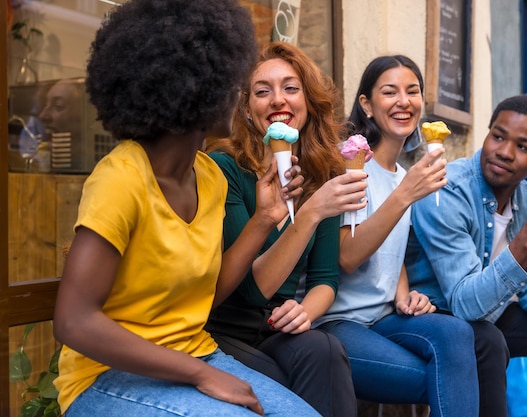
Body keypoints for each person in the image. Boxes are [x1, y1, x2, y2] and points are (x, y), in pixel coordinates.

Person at [52, 1, 322, 416]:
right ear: (194, 87)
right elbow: (73, 321)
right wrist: (199, 374)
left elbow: (206, 297)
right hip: (105, 375)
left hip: (196, 353)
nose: (239, 97)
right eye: (233, 84)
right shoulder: (121, 178)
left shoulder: (208, 177)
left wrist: (265, 217)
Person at [406, 94, 527, 417]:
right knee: (486, 339)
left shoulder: (524, 196)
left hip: (484, 315)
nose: (505, 153)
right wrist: (526, 240)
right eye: (498, 136)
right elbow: (464, 304)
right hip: (431, 312)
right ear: (488, 132)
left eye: (523, 147)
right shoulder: (445, 190)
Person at [204, 42, 367, 417]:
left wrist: (305, 313)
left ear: (307, 102)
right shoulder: (224, 168)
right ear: (246, 109)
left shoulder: (321, 175)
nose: (278, 100)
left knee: (322, 348)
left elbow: (326, 280)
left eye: (291, 88)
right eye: (263, 91)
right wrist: (312, 212)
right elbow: (251, 290)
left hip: (275, 326)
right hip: (224, 330)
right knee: (281, 375)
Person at [314, 55, 479, 417]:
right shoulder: (352, 167)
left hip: (385, 317)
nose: (404, 101)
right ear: (366, 105)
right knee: (441, 379)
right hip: (337, 322)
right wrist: (405, 194)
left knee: (457, 334)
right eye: (390, 92)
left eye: (413, 91)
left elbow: (393, 253)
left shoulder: (402, 173)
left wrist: (407, 297)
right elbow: (347, 256)